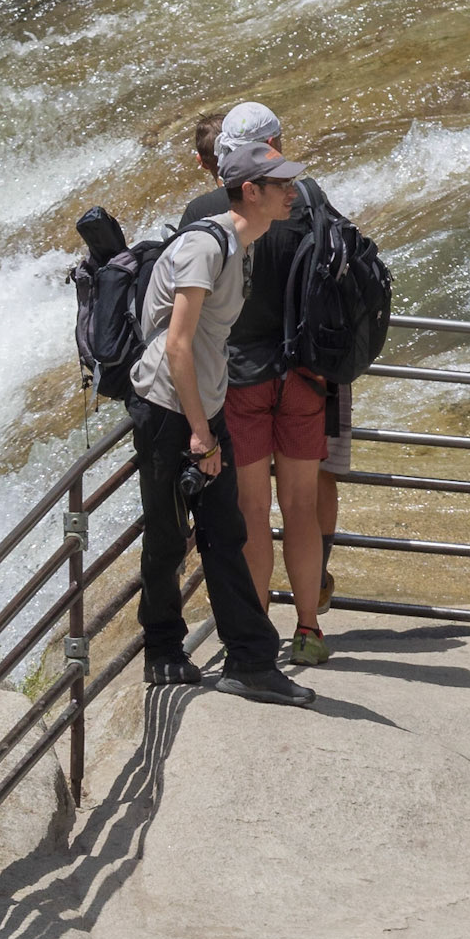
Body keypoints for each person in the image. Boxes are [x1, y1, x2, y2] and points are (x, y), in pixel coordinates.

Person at [129, 138, 317, 709]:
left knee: (226, 534)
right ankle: (163, 649)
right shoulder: (205, 247)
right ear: (251, 191)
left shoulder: (243, 244)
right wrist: (201, 434)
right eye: (282, 185)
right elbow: (178, 346)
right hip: (169, 410)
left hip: (203, 406)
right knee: (168, 536)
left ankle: (251, 663)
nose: (292, 193)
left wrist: (207, 422)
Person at [179, 101, 350, 666]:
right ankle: (309, 631)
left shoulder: (204, 212)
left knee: (252, 511)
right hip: (303, 375)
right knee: (301, 507)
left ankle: (255, 640)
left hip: (237, 380)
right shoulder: (307, 197)